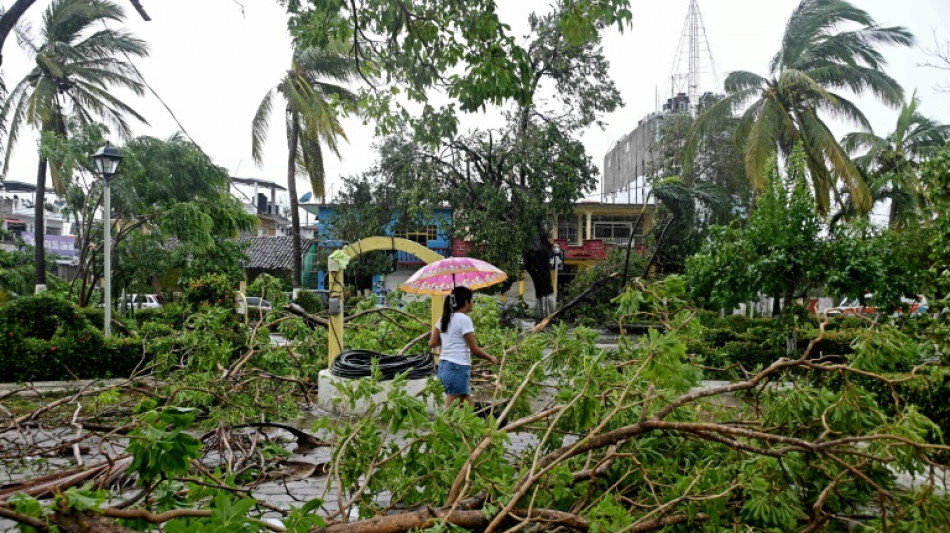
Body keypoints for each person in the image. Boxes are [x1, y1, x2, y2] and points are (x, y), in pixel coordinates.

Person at [429, 286, 499, 408]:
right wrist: (490, 358)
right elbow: (474, 349)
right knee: (452, 410)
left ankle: (481, 426)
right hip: (457, 367)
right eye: (472, 300)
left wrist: (449, 338)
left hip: (443, 367)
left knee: (467, 406)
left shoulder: (444, 318)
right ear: (466, 302)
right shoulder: (464, 320)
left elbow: (432, 343)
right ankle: (442, 426)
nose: (473, 303)